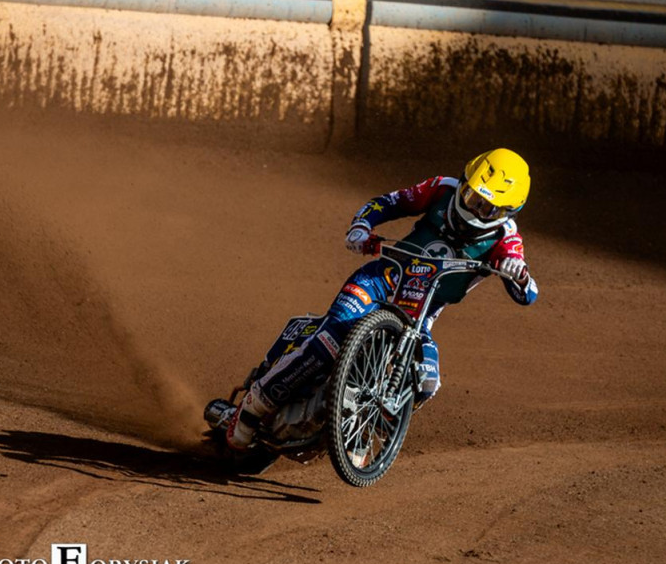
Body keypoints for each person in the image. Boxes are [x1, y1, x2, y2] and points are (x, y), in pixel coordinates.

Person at [226, 149, 539, 451]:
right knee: (332, 338)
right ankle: (254, 406)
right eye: (471, 196)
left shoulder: (507, 238)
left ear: (506, 212)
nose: (472, 208)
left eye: (485, 207)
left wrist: (519, 274)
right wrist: (361, 226)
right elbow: (389, 202)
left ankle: (363, 428)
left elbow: (528, 293)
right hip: (380, 281)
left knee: (427, 381)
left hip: (420, 315)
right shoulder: (442, 188)